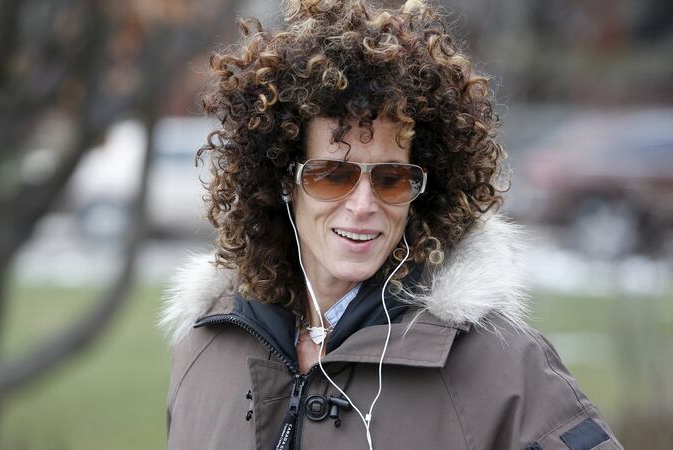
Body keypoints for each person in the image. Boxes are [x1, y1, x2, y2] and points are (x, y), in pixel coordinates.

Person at [161, 0, 623, 449]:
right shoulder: (204, 347)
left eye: (391, 178)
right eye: (332, 174)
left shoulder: (500, 367)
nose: (363, 205)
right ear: (285, 180)